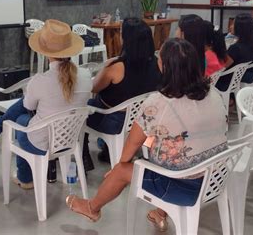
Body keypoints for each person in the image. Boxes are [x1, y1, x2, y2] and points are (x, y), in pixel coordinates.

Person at [66, 38, 228, 232]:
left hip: (184, 186)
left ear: (164, 66)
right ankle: (160, 213)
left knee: (123, 170)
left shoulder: (159, 102)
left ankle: (92, 208)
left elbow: (133, 142)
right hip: (216, 176)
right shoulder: (213, 92)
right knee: (167, 149)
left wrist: (120, 166)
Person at [0, 19, 92, 188]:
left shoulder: (40, 80)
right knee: (25, 114)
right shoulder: (86, 75)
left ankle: (25, 177)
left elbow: (28, 107)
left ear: (45, 53)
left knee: (22, 120)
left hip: (42, 143)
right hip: (70, 139)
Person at [83, 17, 161, 170]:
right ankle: (106, 148)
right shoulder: (157, 62)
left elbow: (93, 88)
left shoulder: (116, 66)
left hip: (115, 122)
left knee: (87, 106)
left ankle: (84, 156)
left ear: (126, 39)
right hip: (144, 119)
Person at [216, 14, 253, 89]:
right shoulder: (251, 44)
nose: (230, 26)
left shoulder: (236, 48)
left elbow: (222, 66)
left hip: (225, 81)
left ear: (240, 28)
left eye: (233, 24)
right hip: (236, 79)